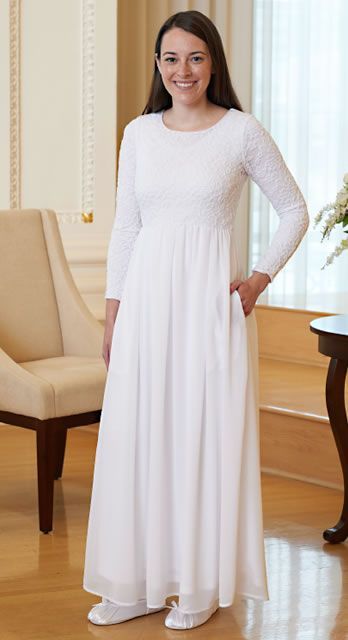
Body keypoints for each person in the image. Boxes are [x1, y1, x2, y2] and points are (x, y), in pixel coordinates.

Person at [83, 9, 309, 631]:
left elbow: (293, 209)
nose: (183, 70)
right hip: (146, 307)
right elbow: (126, 227)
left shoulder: (240, 132)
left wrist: (259, 278)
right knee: (139, 436)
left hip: (211, 309)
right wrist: (113, 314)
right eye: (171, 58)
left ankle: (199, 583)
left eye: (196, 57)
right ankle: (134, 581)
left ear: (214, 63)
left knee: (199, 436)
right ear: (158, 66)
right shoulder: (139, 133)